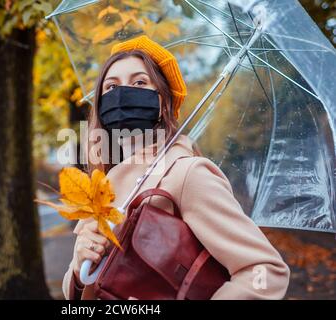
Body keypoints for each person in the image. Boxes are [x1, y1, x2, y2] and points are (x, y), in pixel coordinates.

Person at [62, 35, 290, 300]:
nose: (123, 94)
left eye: (139, 82)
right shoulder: (100, 187)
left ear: (164, 103)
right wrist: (79, 271)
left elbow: (265, 271)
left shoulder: (186, 175)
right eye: (111, 87)